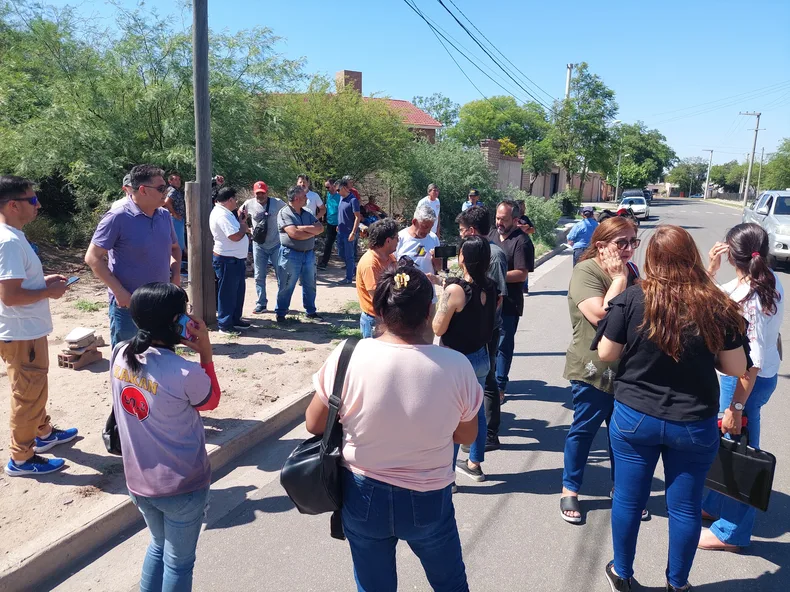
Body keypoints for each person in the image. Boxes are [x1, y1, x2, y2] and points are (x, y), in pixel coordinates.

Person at [304, 259, 482, 592]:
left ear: (379, 311)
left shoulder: (348, 355)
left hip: (362, 493)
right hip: (429, 496)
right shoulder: (456, 366)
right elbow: (466, 434)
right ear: (429, 310)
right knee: (451, 584)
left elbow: (314, 423)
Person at [594, 225, 749, 592]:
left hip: (635, 416)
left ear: (652, 258)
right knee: (685, 507)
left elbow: (605, 354)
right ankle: (677, 584)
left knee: (630, 500)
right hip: (694, 423)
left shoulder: (634, 298)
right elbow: (736, 367)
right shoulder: (715, 304)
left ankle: (623, 573)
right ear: (691, 256)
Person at [111, 282, 221, 592]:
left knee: (158, 545)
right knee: (179, 562)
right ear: (175, 322)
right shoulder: (185, 372)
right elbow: (211, 400)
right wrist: (206, 352)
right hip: (182, 485)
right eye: (184, 312)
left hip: (138, 481)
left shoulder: (120, 352)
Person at [701, 223, 784, 552]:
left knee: (738, 454)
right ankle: (714, 504)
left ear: (734, 254)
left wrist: (736, 407)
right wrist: (711, 270)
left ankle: (731, 532)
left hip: (743, 383)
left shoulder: (750, 296)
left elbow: (755, 359)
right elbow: (714, 298)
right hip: (755, 381)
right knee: (726, 446)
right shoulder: (764, 280)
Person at [560, 216, 641, 524]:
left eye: (633, 242)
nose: (628, 249)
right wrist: (619, 281)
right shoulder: (586, 271)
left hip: (626, 371)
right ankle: (570, 488)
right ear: (601, 245)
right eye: (622, 243)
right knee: (584, 430)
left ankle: (621, 490)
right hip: (592, 369)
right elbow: (601, 318)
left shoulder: (631, 269)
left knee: (623, 436)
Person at [0, 176, 78, 477]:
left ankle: (43, 433)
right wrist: (47, 292)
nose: (39, 204)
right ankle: (21, 458)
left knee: (34, 389)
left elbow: (13, 286)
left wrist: (42, 283)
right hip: (22, 334)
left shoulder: (12, 236)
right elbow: (10, 296)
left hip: (25, 332)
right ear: (13, 204)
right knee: (27, 396)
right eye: (33, 200)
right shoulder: (8, 241)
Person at [85, 164, 181, 348]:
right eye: (161, 188)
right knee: (128, 365)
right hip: (129, 307)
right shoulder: (117, 217)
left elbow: (175, 248)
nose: (166, 192)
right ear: (143, 190)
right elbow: (92, 257)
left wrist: (175, 276)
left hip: (162, 304)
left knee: (161, 362)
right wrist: (120, 293)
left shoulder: (164, 216)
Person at [433, 236, 497, 485]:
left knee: (452, 418)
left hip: (456, 362)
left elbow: (438, 328)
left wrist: (443, 296)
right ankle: (475, 463)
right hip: (481, 356)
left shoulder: (455, 290)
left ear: (462, 258)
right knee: (477, 412)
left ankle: (448, 477)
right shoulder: (491, 286)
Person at [457, 206, 507, 450]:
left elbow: (497, 296)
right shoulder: (479, 251)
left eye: (462, 230)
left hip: (485, 331)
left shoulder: (493, 255)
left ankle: (488, 435)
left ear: (472, 230)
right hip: (479, 329)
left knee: (486, 384)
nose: (460, 235)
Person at [489, 200, 535, 402]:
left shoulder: (521, 241)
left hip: (509, 303)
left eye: (504, 219)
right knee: (487, 344)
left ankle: (499, 386)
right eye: (497, 218)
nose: (499, 222)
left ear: (515, 220)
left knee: (503, 345)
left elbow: (521, 274)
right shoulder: (490, 236)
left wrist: (493, 275)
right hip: (488, 302)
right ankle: (487, 382)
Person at [275, 185, 324, 323]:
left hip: (308, 254)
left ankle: (311, 311)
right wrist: (310, 231)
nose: (307, 198)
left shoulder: (307, 212)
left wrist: (302, 229)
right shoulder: (284, 213)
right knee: (287, 284)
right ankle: (281, 313)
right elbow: (294, 234)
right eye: (304, 196)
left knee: (310, 283)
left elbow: (320, 228)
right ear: (296, 198)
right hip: (290, 254)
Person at [209, 187, 250, 334]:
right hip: (227, 259)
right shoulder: (221, 215)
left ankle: (234, 319)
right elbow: (234, 236)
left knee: (237, 292)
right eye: (235, 199)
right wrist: (244, 227)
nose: (236, 202)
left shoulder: (226, 213)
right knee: (227, 293)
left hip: (235, 259)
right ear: (230, 199)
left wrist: (240, 221)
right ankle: (225, 325)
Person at [240, 181, 285, 314]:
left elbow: (289, 211)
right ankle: (261, 303)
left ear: (267, 192)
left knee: (280, 275)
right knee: (259, 275)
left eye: (263, 193)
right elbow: (239, 214)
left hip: (276, 244)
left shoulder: (277, 203)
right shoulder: (249, 204)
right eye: (258, 193)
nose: (260, 195)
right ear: (254, 193)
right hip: (259, 245)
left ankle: (281, 304)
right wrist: (247, 228)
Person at [356, 218, 397, 338]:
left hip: (386, 317)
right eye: (396, 238)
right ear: (388, 241)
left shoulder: (390, 257)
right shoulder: (370, 263)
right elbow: (376, 297)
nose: (398, 241)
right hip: (374, 319)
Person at [396, 205, 441, 278]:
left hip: (427, 288)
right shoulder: (399, 238)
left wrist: (436, 259)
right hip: (406, 288)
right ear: (414, 221)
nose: (428, 231)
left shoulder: (433, 238)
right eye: (425, 227)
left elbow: (439, 268)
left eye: (430, 227)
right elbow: (391, 266)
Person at [337, 178, 363, 285]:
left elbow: (357, 217)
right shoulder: (341, 199)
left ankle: (348, 278)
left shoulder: (353, 200)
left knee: (349, 256)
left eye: (338, 190)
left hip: (349, 232)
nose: (337, 192)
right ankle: (353, 270)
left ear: (343, 188)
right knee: (341, 253)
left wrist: (353, 232)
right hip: (340, 231)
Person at [163, 173, 186, 261]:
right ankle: (177, 264)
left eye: (179, 179)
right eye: (175, 179)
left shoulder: (172, 190)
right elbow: (167, 202)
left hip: (176, 219)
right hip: (176, 219)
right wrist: (174, 214)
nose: (178, 181)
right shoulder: (173, 191)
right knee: (177, 243)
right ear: (170, 181)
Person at [318, 178, 340, 270]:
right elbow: (328, 205)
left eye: (328, 187)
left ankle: (350, 266)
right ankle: (324, 263)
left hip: (339, 224)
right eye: (325, 187)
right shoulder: (328, 195)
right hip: (330, 223)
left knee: (342, 244)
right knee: (328, 243)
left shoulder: (340, 197)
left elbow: (341, 211)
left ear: (334, 186)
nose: (327, 189)